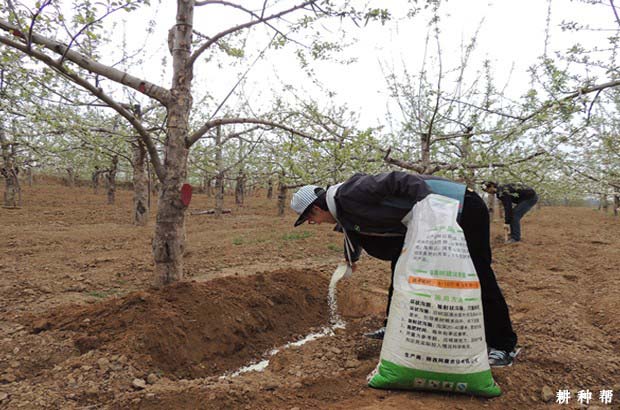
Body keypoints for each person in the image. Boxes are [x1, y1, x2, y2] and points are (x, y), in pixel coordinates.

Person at [290, 171, 518, 367]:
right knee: (400, 265)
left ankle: (503, 345)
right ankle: (393, 326)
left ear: (316, 209)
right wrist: (351, 259)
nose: (315, 224)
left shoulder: (350, 193)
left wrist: (431, 206)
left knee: (478, 273)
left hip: (460, 208)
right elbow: (353, 231)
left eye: (311, 219)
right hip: (432, 216)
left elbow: (400, 179)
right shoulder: (342, 207)